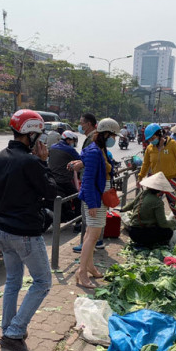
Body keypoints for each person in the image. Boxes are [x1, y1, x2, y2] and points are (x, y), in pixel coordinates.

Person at [0, 109, 57, 351]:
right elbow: (50, 192)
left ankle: (9, 330)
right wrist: (44, 162)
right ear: (31, 134)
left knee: (13, 282)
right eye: (38, 134)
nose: (41, 139)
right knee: (42, 282)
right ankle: (14, 333)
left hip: (3, 231)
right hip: (25, 233)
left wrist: (2, 222)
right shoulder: (31, 162)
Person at [76, 118, 120, 288]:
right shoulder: (95, 152)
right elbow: (87, 180)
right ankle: (81, 272)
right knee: (93, 235)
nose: (114, 139)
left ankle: (90, 266)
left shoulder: (100, 150)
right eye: (113, 135)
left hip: (99, 197)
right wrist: (93, 204)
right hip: (95, 198)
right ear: (106, 134)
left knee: (91, 234)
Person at [137, 123, 176, 226]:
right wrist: (140, 177)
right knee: (151, 202)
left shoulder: (173, 144)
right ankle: (151, 223)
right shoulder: (150, 149)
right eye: (150, 139)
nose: (152, 141)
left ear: (160, 134)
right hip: (156, 181)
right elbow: (146, 164)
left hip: (171, 179)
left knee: (174, 203)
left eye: (153, 138)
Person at [70, 113, 105, 251]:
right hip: (93, 183)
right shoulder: (93, 139)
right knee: (93, 221)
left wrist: (80, 164)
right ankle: (93, 243)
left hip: (91, 184)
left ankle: (90, 245)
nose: (80, 126)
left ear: (89, 124)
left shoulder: (93, 139)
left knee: (90, 219)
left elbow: (90, 169)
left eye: (81, 123)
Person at [122, 172, 176, 248]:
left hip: (132, 232)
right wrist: (174, 223)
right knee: (168, 232)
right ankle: (148, 244)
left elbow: (131, 205)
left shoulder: (143, 193)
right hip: (142, 234)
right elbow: (163, 223)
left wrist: (122, 210)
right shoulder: (158, 202)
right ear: (160, 190)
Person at [48, 131, 81, 222]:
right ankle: (78, 223)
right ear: (68, 140)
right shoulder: (70, 150)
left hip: (51, 179)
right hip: (64, 181)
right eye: (72, 141)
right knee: (77, 198)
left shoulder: (52, 147)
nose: (73, 143)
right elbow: (81, 160)